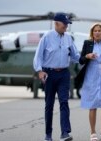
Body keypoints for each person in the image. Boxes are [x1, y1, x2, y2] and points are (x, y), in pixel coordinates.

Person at [33, 12, 80, 141]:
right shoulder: (47, 37)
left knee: (64, 102)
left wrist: (86, 57)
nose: (66, 26)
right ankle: (48, 134)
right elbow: (38, 56)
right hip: (49, 73)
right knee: (49, 104)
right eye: (64, 24)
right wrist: (39, 71)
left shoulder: (68, 38)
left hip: (64, 73)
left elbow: (75, 56)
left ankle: (65, 133)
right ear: (56, 24)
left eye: (67, 24)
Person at [75, 23, 101, 141]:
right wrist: (87, 56)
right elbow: (81, 60)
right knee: (92, 104)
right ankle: (93, 133)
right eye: (95, 31)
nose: (97, 33)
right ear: (92, 33)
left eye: (99, 31)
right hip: (91, 76)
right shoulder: (87, 43)